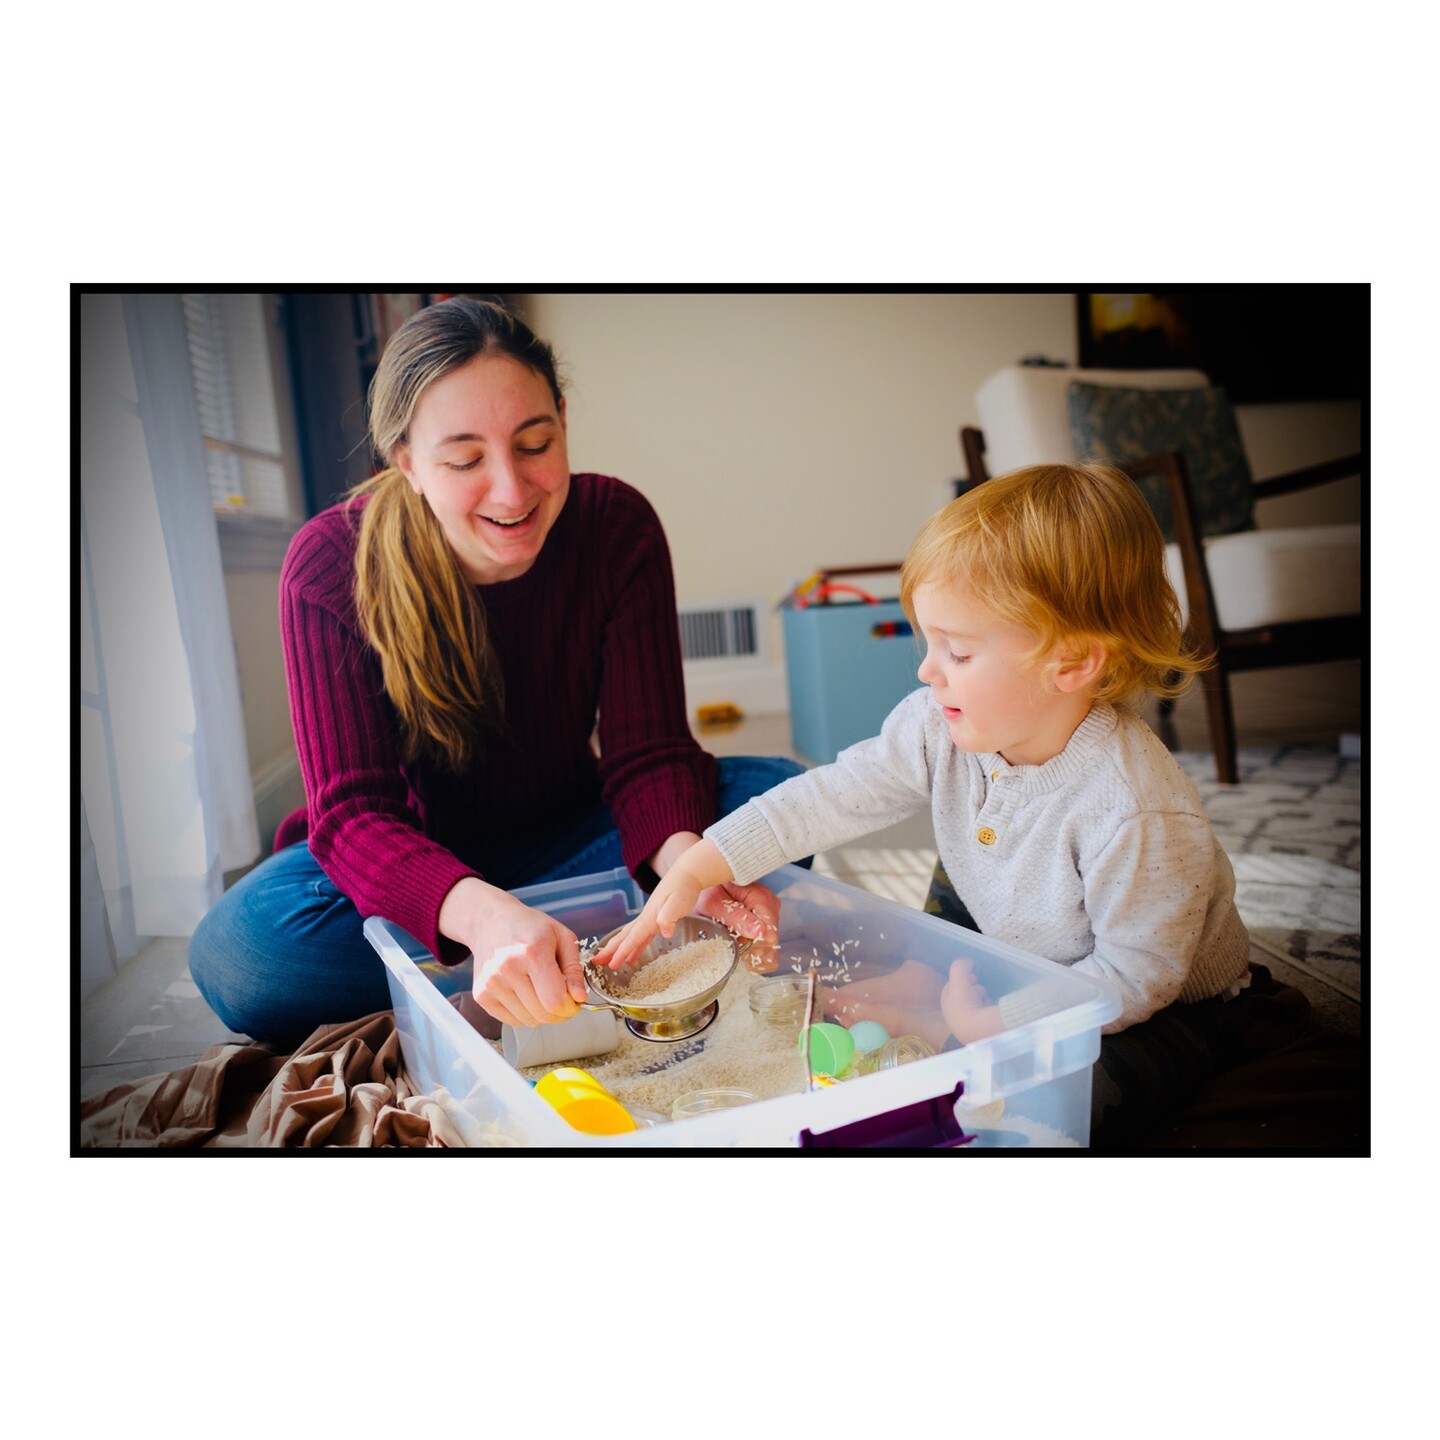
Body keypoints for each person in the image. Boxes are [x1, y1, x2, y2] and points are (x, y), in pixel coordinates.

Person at [598, 462, 1313, 1146]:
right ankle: (939, 989)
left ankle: (953, 1010)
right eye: (928, 642)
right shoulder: (935, 722)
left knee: (1078, 1099)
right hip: (1022, 947)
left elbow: (1137, 978)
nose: (926, 670)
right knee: (953, 880)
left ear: (1072, 662)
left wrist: (1000, 1022)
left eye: (958, 653)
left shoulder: (1134, 809)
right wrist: (704, 860)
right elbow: (835, 795)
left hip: (1170, 1007)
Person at [189, 297, 802, 1050]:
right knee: (244, 953)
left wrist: (686, 869)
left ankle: (524, 962)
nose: (512, 491)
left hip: (572, 837)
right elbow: (353, 816)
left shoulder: (616, 526)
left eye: (534, 442)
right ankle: (556, 950)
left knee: (771, 799)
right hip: (408, 870)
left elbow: (650, 753)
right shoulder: (328, 564)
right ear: (407, 463)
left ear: (564, 423)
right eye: (466, 459)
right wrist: (479, 915)